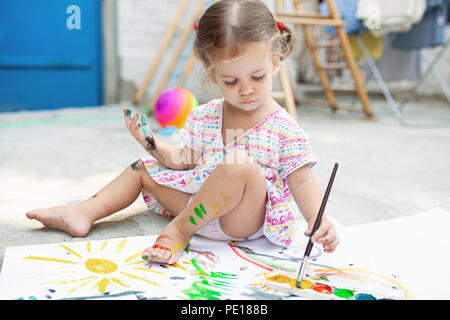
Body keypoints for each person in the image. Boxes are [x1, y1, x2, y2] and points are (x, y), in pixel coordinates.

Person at [26, 0, 339, 265]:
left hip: (242, 220)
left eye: (256, 76)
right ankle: (83, 212)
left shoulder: (284, 128)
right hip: (199, 209)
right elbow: (183, 161)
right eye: (231, 81)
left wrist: (316, 218)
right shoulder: (205, 116)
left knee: (239, 164)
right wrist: (152, 144)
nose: (245, 90)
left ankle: (177, 232)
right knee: (141, 169)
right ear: (212, 74)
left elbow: (301, 179)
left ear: (275, 62)